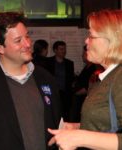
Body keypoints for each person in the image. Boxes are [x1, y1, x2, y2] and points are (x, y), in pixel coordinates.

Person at [0, 11, 62, 150]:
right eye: (18, 40)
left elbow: (57, 125)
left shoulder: (45, 77)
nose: (27, 44)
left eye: (27, 36)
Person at [48, 9, 122, 150]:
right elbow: (107, 124)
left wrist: (80, 137)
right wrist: (77, 128)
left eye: (90, 35)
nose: (86, 40)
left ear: (111, 41)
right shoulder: (106, 78)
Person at [47, 41, 75, 122]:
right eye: (61, 49)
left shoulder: (69, 63)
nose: (64, 51)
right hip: (53, 93)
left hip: (66, 95)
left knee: (66, 116)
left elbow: (71, 79)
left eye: (64, 49)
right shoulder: (48, 62)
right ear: (55, 50)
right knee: (53, 115)